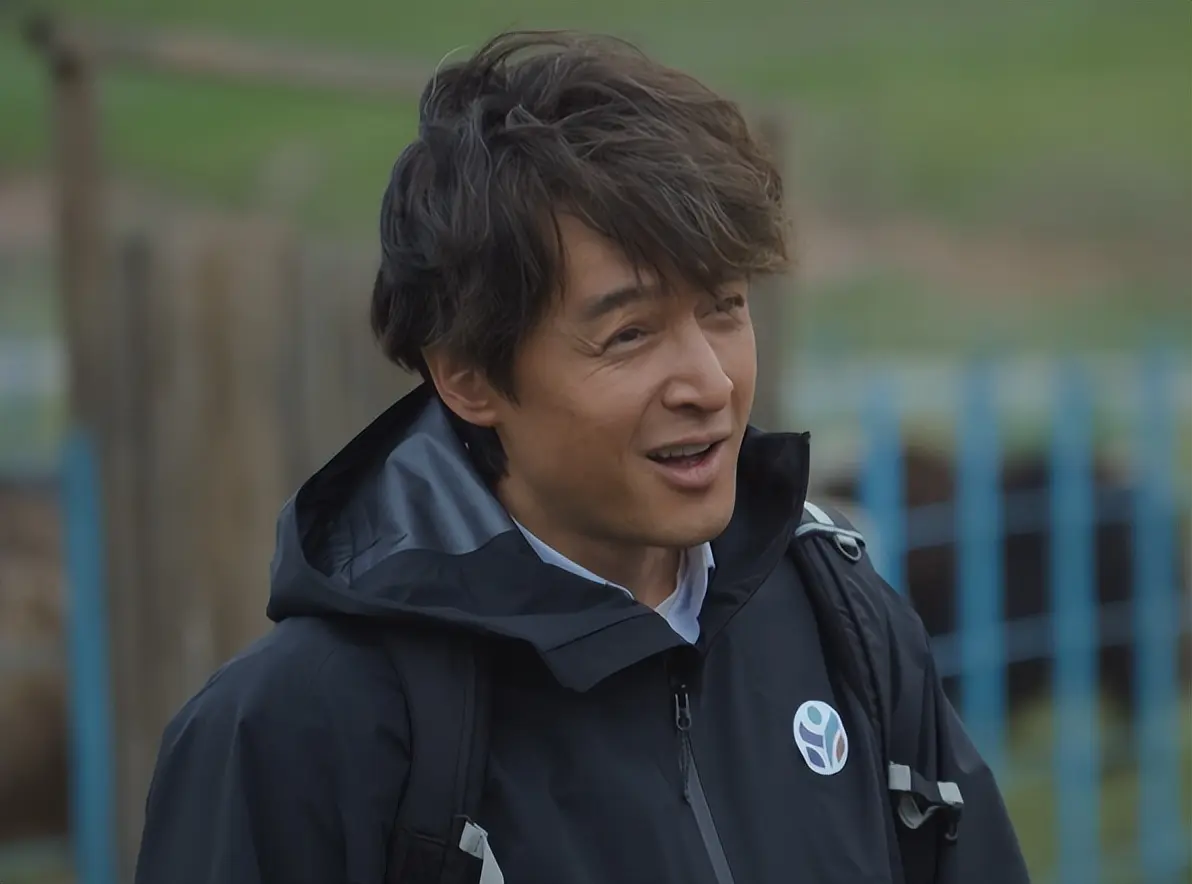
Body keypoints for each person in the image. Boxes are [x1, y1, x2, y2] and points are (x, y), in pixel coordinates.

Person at [134, 30, 1030, 884]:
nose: (710, 381)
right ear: (469, 376)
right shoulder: (300, 730)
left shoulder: (843, 622)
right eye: (630, 334)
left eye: (724, 306)